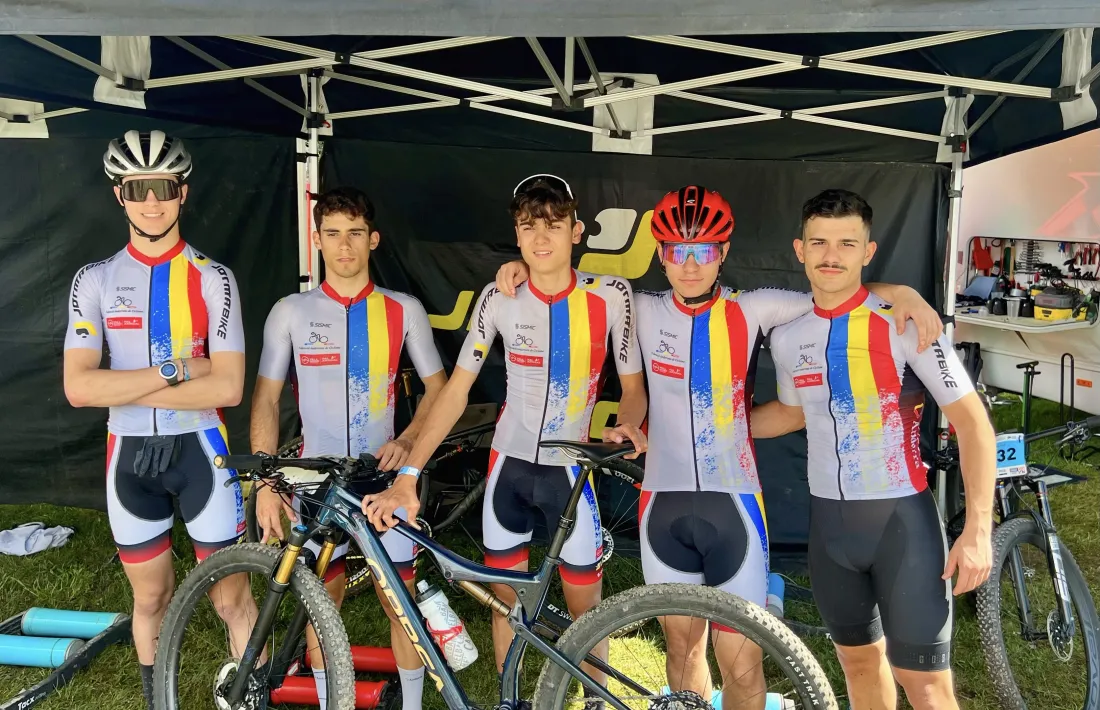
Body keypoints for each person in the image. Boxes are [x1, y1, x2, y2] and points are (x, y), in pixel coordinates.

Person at [493, 185, 943, 709]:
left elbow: (838, 288)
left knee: (741, 662)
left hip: (734, 505)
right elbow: (561, 279)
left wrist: (902, 293)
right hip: (662, 505)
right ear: (661, 254)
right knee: (682, 653)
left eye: (704, 250)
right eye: (678, 250)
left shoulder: (754, 307)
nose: (690, 265)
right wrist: (519, 269)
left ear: (723, 251)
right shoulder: (637, 306)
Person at [362, 174, 648, 679]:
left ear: (577, 231)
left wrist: (627, 423)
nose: (541, 238)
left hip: (569, 474)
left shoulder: (612, 295)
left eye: (553, 225)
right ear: (516, 235)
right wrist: (408, 475)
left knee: (588, 614)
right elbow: (455, 391)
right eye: (529, 226)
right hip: (508, 471)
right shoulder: (498, 297)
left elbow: (632, 385)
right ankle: (508, 699)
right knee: (506, 607)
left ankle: (593, 699)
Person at [758, 188, 995, 710]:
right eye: (819, 243)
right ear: (799, 249)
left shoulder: (904, 322)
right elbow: (792, 414)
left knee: (925, 683)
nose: (831, 256)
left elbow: (973, 423)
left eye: (847, 244)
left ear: (868, 251)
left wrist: (979, 529)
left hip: (901, 525)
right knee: (859, 664)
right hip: (830, 528)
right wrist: (713, 423)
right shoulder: (788, 336)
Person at [63, 130, 256, 710]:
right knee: (150, 600)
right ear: (119, 195)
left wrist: (124, 386)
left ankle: (254, 697)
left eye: (164, 188)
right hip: (128, 458)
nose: (152, 203)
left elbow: (228, 387)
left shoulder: (213, 277)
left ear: (183, 193)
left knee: (231, 600)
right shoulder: (94, 279)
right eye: (138, 189)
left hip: (202, 451)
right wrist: (176, 370)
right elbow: (78, 388)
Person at [251, 186, 447, 710]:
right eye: (333, 234)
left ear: (373, 239)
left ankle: (411, 705)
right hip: (317, 479)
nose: (344, 246)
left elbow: (440, 389)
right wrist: (265, 482)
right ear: (316, 240)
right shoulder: (290, 312)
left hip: (383, 477)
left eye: (355, 234)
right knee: (322, 602)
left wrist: (408, 439)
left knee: (399, 601)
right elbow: (266, 399)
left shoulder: (403, 309)